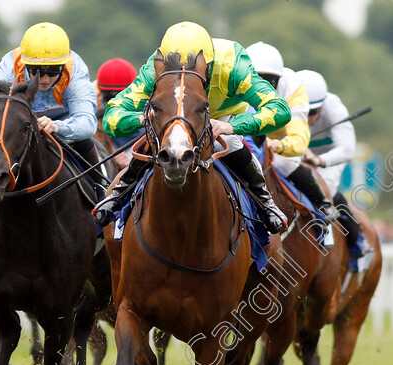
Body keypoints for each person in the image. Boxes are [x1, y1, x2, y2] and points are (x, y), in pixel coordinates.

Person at [93, 21, 290, 234]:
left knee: (232, 143)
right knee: (156, 140)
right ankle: (119, 193)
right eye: (175, 72)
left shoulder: (233, 63)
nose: (184, 80)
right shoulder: (155, 67)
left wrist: (231, 126)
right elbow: (112, 117)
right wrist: (142, 119)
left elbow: (280, 110)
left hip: (221, 116)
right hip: (174, 116)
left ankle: (264, 200)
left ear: (209, 64)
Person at [0, 22, 100, 167]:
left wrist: (57, 127)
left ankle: (99, 186)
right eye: (36, 71)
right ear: (25, 65)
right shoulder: (10, 68)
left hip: (64, 119)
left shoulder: (75, 70)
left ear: (64, 65)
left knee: (84, 141)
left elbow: (87, 124)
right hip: (19, 122)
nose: (45, 79)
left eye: (53, 71)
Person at [246, 43, 340, 222]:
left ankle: (322, 204)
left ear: (279, 80)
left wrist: (277, 145)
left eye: (270, 81)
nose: (263, 87)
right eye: (257, 80)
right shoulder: (232, 80)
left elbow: (299, 140)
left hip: (277, 143)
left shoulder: (293, 88)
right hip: (243, 136)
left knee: (285, 163)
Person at [297, 69, 362, 246]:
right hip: (297, 153)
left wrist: (319, 161)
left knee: (323, 185)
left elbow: (347, 149)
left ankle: (357, 240)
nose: (310, 118)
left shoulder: (334, 106)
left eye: (314, 111)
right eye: (304, 111)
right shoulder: (288, 98)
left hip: (329, 159)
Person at [93, 58, 141, 169]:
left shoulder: (145, 98)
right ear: (100, 92)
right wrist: (110, 154)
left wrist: (134, 162)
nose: (115, 105)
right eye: (109, 98)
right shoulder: (90, 100)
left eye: (121, 98)